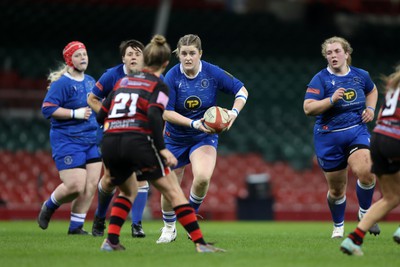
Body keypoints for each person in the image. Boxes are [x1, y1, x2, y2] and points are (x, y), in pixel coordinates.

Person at [97, 34, 225, 253]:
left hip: (109, 143)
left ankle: (110, 241)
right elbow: (157, 117)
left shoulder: (123, 81)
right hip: (136, 142)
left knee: (127, 191)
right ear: (166, 63)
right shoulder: (159, 85)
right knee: (174, 192)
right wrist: (162, 149)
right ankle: (200, 244)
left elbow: (101, 116)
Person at [157, 34, 248, 243]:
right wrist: (193, 123)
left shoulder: (212, 72)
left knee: (203, 178)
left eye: (192, 53)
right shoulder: (170, 77)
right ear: (178, 55)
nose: (188, 57)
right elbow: (165, 113)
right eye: (184, 54)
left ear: (200, 54)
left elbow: (242, 90)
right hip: (174, 137)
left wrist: (233, 113)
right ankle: (168, 227)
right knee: (170, 185)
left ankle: (190, 219)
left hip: (203, 136)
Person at [303, 36, 380, 238]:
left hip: (357, 131)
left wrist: (370, 109)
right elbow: (308, 108)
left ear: (347, 54)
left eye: (337, 51)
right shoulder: (320, 79)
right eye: (329, 53)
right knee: (337, 190)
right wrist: (331, 99)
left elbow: (372, 90)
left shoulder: (361, 75)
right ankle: (338, 226)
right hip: (329, 138)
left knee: (367, 171)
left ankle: (364, 213)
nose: (333, 56)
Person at [38, 41, 102, 234]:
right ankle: (49, 205)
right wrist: (75, 113)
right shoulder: (62, 83)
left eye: (85, 54)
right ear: (69, 60)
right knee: (75, 185)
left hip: (92, 140)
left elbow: (98, 104)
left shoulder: (91, 80)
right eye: (78, 55)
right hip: (68, 141)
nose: (83, 58)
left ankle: (76, 227)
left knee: (90, 186)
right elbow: (47, 108)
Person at [87, 39, 149, 238]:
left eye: (137, 54)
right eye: (129, 54)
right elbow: (92, 98)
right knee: (111, 179)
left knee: (141, 178)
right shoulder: (112, 75)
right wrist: (109, 117)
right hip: (112, 134)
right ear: (123, 58)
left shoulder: (153, 77)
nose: (133, 57)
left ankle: (137, 225)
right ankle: (99, 217)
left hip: (139, 136)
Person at [340, 66, 400, 256]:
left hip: (378, 138)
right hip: (396, 138)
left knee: (391, 197)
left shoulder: (394, 85)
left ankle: (353, 239)